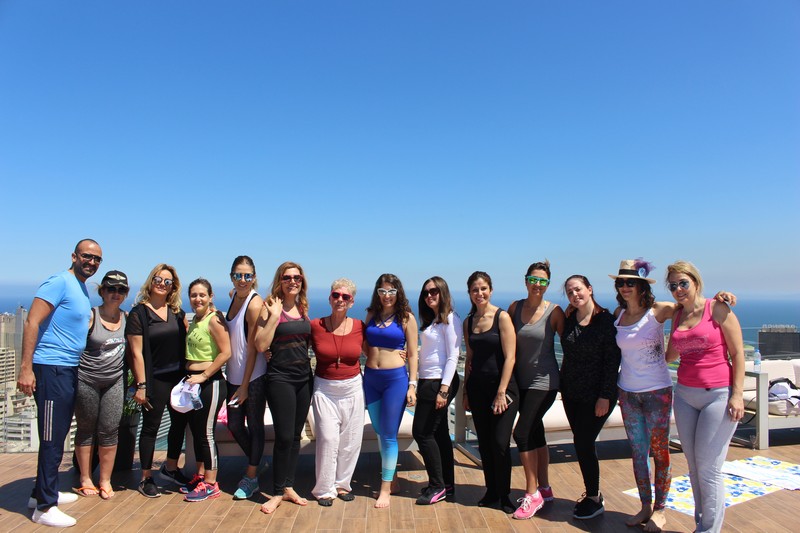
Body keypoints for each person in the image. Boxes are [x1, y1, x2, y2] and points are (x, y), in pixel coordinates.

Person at [612, 258, 736, 532]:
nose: (624, 287)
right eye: (620, 282)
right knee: (637, 453)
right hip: (628, 392)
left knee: (661, 454)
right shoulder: (618, 316)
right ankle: (645, 506)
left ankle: (660, 510)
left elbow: (693, 307)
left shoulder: (660, 310)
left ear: (642, 285)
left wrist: (720, 297)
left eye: (630, 281)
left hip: (658, 391)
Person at [17, 239, 102, 527]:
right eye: (87, 256)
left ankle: (42, 491)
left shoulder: (79, 287)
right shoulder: (59, 282)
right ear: (74, 256)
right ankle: (44, 508)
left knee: (59, 432)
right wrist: (26, 369)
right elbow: (32, 322)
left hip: (66, 368)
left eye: (96, 259)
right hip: (51, 368)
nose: (91, 262)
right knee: (52, 438)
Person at [666, 261, 744, 533]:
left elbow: (737, 354)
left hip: (718, 395)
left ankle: (709, 530)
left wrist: (737, 395)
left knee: (709, 468)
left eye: (683, 283)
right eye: (673, 285)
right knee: (694, 466)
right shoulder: (677, 316)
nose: (678, 289)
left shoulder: (718, 308)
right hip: (685, 395)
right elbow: (671, 356)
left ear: (696, 282)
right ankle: (702, 524)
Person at [127, 263, 191, 498]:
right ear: (150, 282)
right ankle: (146, 477)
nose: (162, 284)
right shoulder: (139, 314)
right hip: (155, 380)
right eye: (158, 279)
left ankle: (171, 468)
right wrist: (141, 385)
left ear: (173, 286)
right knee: (151, 427)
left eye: (167, 281)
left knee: (179, 424)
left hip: (178, 379)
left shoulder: (177, 313)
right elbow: (136, 353)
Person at [559, 275, 620, 520]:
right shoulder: (569, 319)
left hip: (597, 395)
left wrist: (605, 397)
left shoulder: (606, 320)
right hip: (572, 393)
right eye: (570, 291)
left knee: (584, 442)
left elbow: (612, 361)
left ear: (590, 289)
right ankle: (592, 493)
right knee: (581, 442)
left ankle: (594, 497)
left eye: (579, 289)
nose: (575, 294)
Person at [254, 261, 313, 514]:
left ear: (302, 281)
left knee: (296, 437)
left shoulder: (303, 307)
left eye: (297, 277)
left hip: (304, 379)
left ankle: (289, 487)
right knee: (284, 437)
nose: (293, 281)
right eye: (288, 277)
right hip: (280, 379)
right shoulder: (270, 307)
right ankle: (277, 492)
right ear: (280, 280)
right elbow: (260, 344)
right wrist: (275, 317)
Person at [507, 261, 563, 520]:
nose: (537, 285)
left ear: (548, 284)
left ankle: (532, 493)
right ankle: (545, 486)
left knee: (521, 432)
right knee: (536, 432)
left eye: (542, 281)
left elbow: (572, 345)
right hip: (522, 384)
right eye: (533, 279)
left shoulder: (554, 312)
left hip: (546, 383)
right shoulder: (515, 308)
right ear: (526, 280)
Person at [463, 271, 518, 514]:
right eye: (475, 290)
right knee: (484, 443)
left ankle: (505, 495)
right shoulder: (469, 321)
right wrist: (465, 391)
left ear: (491, 290)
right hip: (477, 388)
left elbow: (510, 357)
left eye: (483, 288)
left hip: (503, 388)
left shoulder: (502, 317)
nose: (479, 293)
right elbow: (470, 359)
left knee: (500, 442)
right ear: (470, 293)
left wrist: (501, 391)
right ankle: (491, 491)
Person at [73, 270, 130, 501]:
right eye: (111, 289)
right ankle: (85, 478)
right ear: (102, 291)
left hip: (114, 380)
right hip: (86, 379)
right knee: (86, 428)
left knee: (110, 429)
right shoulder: (90, 316)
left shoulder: (127, 318)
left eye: (121, 290)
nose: (116, 294)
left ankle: (105, 479)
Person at [363, 273, 419, 508]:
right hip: (371, 378)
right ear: (377, 293)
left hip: (395, 380)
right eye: (383, 291)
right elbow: (364, 344)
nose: (387, 296)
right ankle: (393, 479)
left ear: (398, 293)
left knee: (388, 434)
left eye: (391, 291)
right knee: (379, 430)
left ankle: (385, 487)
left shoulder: (406, 318)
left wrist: (412, 384)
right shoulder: (371, 314)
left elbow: (414, 353)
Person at [309, 278, 365, 506]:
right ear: (330, 298)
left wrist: (401, 355)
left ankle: (342, 485)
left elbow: (375, 352)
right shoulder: (315, 325)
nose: (340, 300)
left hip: (353, 387)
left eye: (345, 297)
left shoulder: (360, 326)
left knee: (350, 441)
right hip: (324, 388)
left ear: (352, 302)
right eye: (336, 295)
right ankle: (324, 489)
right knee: (328, 439)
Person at [181, 279, 231, 501]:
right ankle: (201, 476)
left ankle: (211, 483)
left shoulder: (213, 320)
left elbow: (225, 352)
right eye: (193, 295)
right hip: (194, 384)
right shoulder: (195, 320)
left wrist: (204, 375)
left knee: (207, 433)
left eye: (202, 295)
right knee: (199, 432)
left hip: (211, 383)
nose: (197, 299)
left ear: (211, 297)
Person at [413, 276, 461, 505]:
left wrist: (444, 390)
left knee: (422, 433)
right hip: (428, 379)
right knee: (440, 435)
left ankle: (437, 486)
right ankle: (447, 484)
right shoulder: (434, 321)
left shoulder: (450, 318)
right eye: (425, 293)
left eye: (434, 291)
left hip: (438, 382)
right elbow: (434, 352)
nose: (429, 296)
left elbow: (453, 357)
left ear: (443, 292)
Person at [224, 256, 267, 500]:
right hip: (233, 375)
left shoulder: (253, 303)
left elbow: (252, 348)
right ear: (231, 276)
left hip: (253, 376)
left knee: (254, 425)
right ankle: (258, 462)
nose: (243, 280)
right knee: (234, 425)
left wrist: (245, 385)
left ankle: (251, 476)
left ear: (254, 277)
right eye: (238, 275)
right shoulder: (234, 296)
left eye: (247, 276)